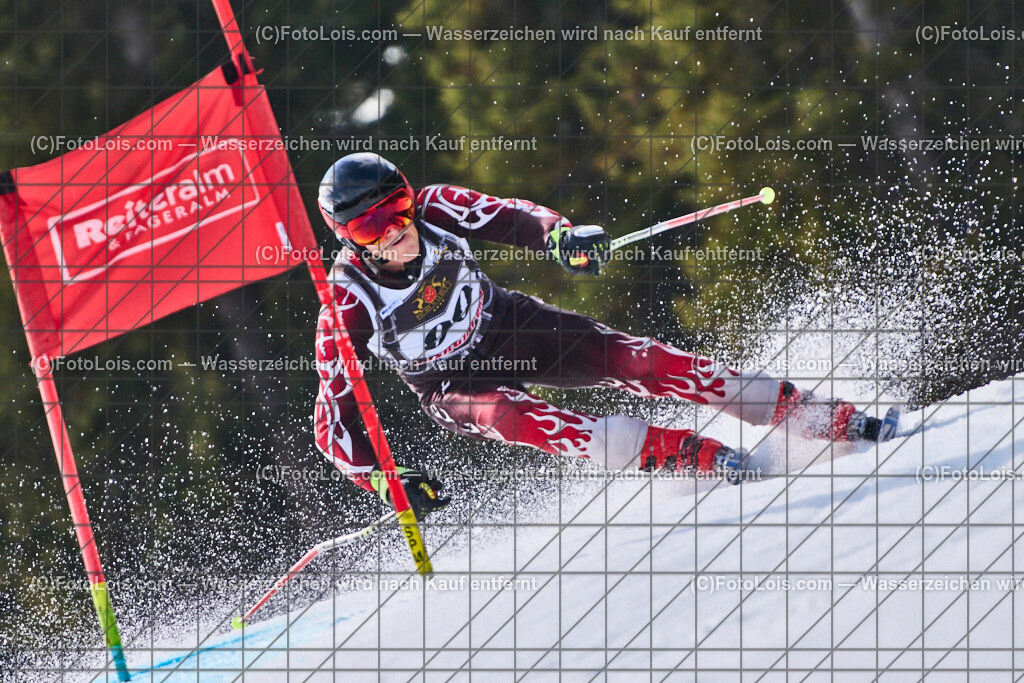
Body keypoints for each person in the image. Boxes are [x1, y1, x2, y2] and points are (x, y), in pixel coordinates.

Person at [312, 153, 882, 514]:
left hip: (508, 324)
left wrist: (560, 237)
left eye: (400, 207)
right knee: (517, 419)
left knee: (639, 362)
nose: (397, 230)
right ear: (349, 237)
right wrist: (384, 480)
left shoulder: (436, 209)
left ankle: (801, 411)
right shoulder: (347, 298)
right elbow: (331, 420)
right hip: (450, 384)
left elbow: (513, 216)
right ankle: (676, 452)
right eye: (372, 224)